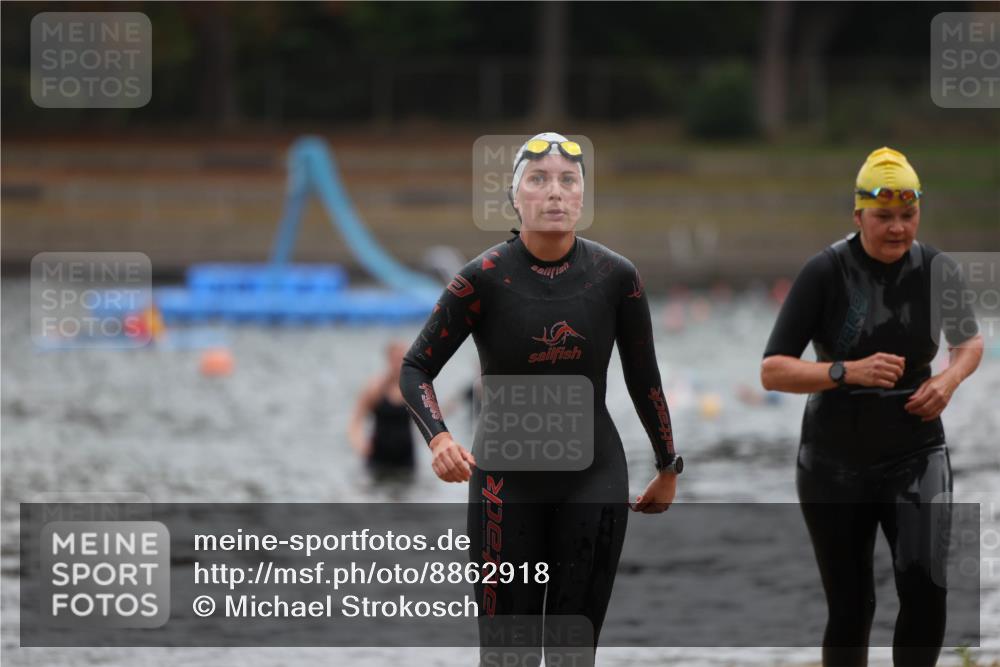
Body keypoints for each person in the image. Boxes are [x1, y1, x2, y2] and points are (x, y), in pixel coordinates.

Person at [399, 132, 683, 663]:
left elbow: (645, 379)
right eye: (539, 180)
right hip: (505, 486)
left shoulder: (616, 278)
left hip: (593, 477)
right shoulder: (481, 279)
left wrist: (668, 465)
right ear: (515, 198)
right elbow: (416, 367)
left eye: (567, 181)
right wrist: (438, 438)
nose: (554, 192)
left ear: (582, 198)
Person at [760, 147, 984, 667]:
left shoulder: (936, 269)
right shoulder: (825, 271)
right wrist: (844, 371)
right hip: (834, 462)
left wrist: (949, 380)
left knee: (927, 592)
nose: (898, 229)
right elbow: (772, 369)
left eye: (908, 216)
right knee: (851, 606)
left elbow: (969, 344)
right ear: (858, 214)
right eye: (884, 217)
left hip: (916, 452)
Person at [349, 341, 416, 479]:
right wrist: (360, 444)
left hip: (405, 456)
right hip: (379, 455)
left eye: (401, 359)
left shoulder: (412, 389)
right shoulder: (375, 388)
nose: (398, 364)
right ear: (388, 359)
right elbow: (356, 421)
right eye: (395, 359)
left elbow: (430, 418)